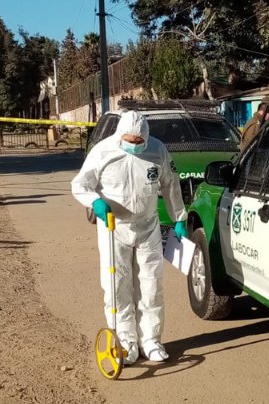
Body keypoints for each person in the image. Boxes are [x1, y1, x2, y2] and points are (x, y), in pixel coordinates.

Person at [71, 110, 188, 364]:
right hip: (114, 228)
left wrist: (179, 217)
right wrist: (95, 202)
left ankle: (151, 340)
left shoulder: (157, 150)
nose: (134, 146)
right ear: (119, 134)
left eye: (139, 142)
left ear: (146, 137)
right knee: (117, 286)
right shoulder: (103, 152)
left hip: (148, 227)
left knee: (151, 285)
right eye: (130, 141)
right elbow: (80, 184)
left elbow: (170, 184)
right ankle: (125, 340)